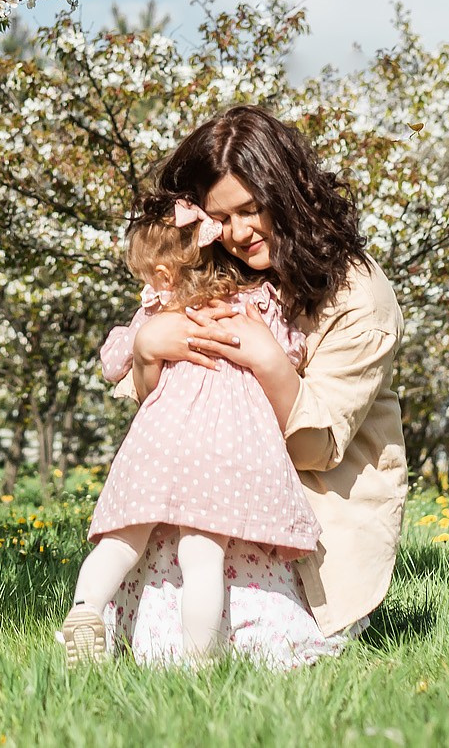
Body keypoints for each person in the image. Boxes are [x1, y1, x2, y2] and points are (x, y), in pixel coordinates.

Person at [108, 104, 407, 667]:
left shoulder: (359, 300)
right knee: (159, 638)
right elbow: (161, 413)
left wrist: (271, 363)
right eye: (222, 217)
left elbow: (317, 450)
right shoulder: (215, 271)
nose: (239, 233)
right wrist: (148, 349)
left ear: (290, 193)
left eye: (252, 210)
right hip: (211, 494)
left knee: (258, 643)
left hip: (315, 522)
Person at [59, 193, 320, 667]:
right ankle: (199, 663)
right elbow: (293, 351)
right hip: (228, 448)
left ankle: (85, 610)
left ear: (163, 275)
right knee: (202, 559)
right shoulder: (253, 305)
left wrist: (144, 334)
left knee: (122, 538)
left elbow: (112, 361)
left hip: (159, 444)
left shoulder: (160, 313)